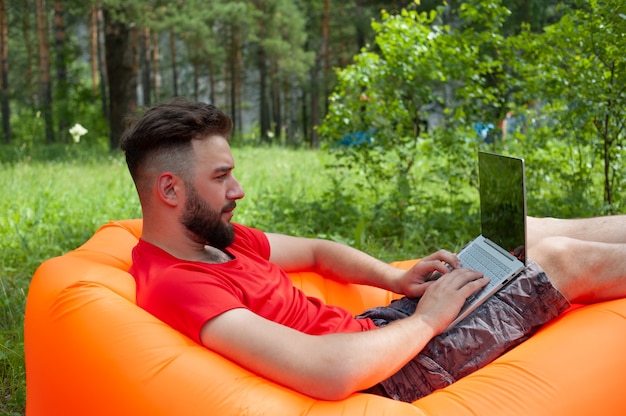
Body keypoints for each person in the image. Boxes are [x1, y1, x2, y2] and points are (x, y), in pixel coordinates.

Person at [120, 98, 626, 402]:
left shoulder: (217, 242)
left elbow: (319, 251)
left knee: (528, 234)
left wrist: (397, 281)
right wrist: (427, 320)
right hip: (388, 375)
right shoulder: (179, 283)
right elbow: (330, 372)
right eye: (221, 176)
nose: (238, 191)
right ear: (170, 190)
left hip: (387, 333)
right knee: (560, 260)